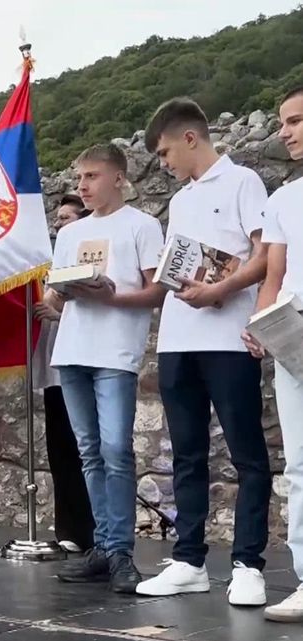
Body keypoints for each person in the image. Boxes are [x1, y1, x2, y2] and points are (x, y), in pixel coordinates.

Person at [135, 98, 271, 607]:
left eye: (166, 152)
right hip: (178, 339)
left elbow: (264, 254)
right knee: (186, 454)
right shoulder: (180, 201)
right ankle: (189, 560)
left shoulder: (243, 182)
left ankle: (248, 565)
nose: (163, 163)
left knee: (246, 454)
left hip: (229, 339)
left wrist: (220, 288)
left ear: (190, 138)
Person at [46, 144, 165, 593]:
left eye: (92, 176)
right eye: (79, 178)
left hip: (115, 353)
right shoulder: (71, 234)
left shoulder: (142, 225)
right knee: (90, 453)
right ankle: (102, 546)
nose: (82, 186)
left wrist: (109, 297)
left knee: (116, 450)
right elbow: (56, 298)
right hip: (72, 350)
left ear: (118, 177)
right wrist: (60, 293)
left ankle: (120, 552)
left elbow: (157, 292)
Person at [241, 86, 303, 622]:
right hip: (294, 338)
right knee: (299, 462)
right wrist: (260, 324)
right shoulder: (283, 199)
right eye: (283, 122)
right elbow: (274, 275)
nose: (285, 132)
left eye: (296, 121)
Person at [33, 194, 95, 553]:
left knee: (82, 448)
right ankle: (67, 531)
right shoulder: (50, 262)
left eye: (66, 218)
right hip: (55, 368)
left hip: (82, 364)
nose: (59, 225)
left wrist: (60, 315)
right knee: (59, 451)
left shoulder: (88, 258)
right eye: (57, 220)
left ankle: (89, 531)